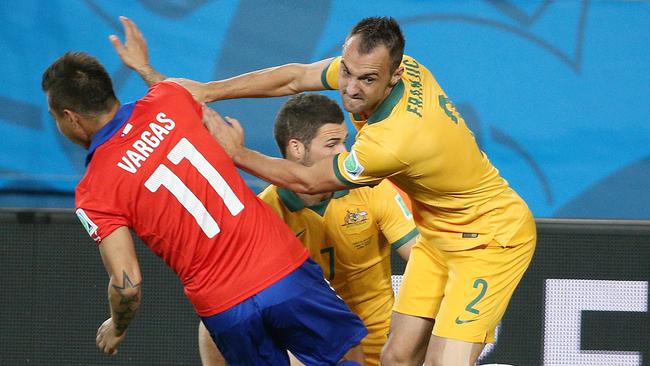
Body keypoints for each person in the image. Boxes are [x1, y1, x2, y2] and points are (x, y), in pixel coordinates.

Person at [114, 16, 537, 366]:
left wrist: (237, 153)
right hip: (438, 237)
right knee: (396, 359)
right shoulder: (390, 67)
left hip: (490, 238)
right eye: (347, 72)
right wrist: (209, 90)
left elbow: (309, 181)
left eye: (366, 80)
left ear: (393, 77)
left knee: (446, 364)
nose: (350, 88)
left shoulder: (392, 141)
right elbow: (296, 77)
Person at [41, 28, 368, 366]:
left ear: (71, 118)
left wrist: (117, 325)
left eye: (56, 118)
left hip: (225, 307)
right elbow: (177, 92)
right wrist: (144, 68)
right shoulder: (169, 98)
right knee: (347, 353)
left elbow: (128, 285)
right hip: (281, 269)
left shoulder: (94, 191)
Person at [196, 93, 418, 366]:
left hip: (387, 349)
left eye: (344, 142)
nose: (343, 154)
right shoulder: (264, 213)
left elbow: (421, 258)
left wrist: (411, 332)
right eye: (331, 144)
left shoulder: (374, 189)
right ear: (297, 149)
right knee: (215, 320)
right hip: (314, 351)